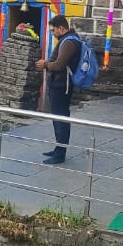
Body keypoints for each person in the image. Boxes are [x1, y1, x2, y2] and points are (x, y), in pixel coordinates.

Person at [36, 15, 80, 164]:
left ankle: (61, 152)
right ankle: (58, 148)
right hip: (59, 84)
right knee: (57, 117)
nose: (53, 33)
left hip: (62, 85)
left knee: (61, 118)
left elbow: (59, 65)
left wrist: (45, 64)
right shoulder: (67, 40)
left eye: (54, 30)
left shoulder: (69, 42)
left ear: (61, 28)